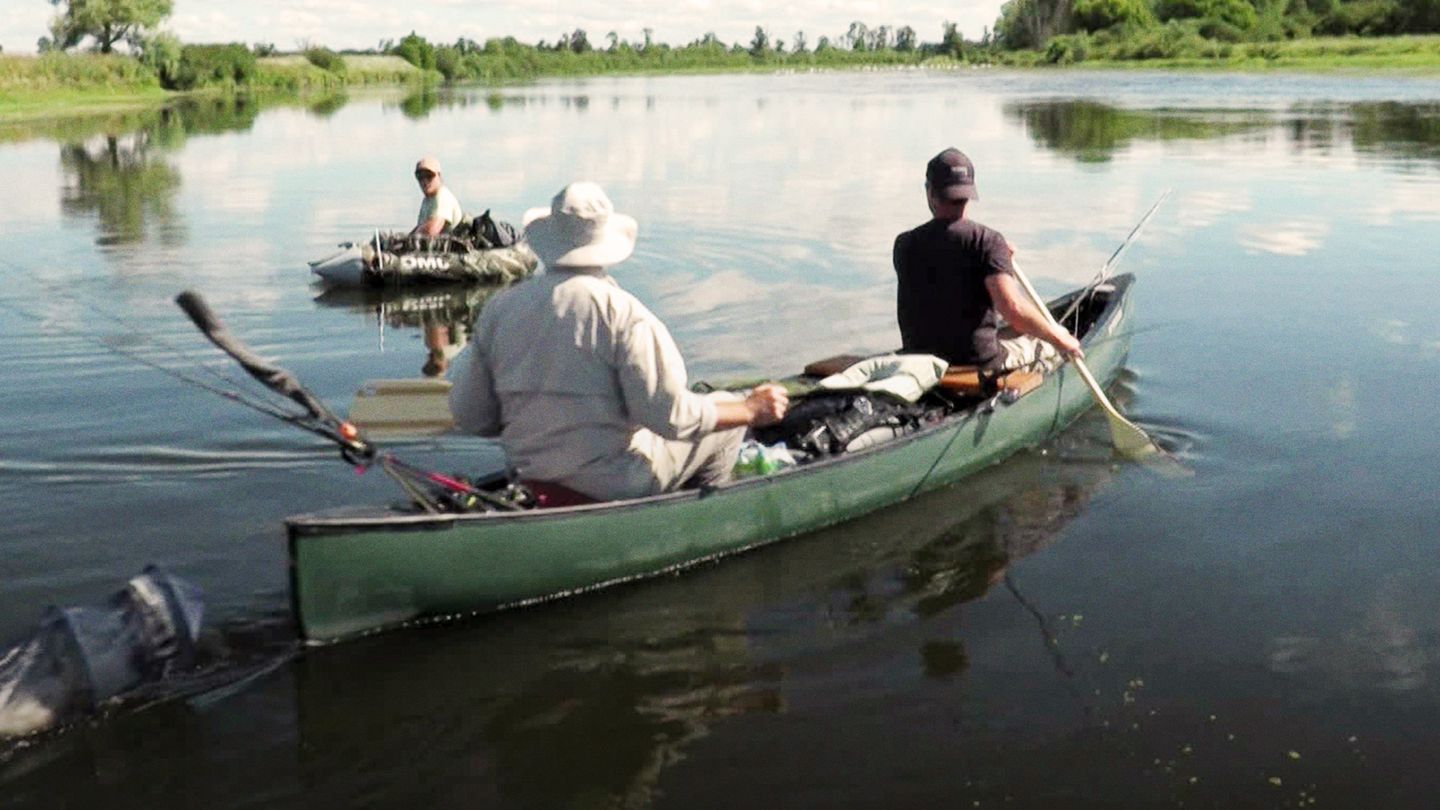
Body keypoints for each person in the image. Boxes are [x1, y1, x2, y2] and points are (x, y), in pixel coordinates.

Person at [450, 182, 789, 502]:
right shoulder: (624, 314)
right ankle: (702, 517)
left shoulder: (500, 309)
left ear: (550, 241)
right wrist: (748, 409)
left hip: (527, 477)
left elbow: (472, 417)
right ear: (608, 246)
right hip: (611, 486)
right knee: (725, 422)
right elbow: (672, 418)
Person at [892, 148, 1082, 373]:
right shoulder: (987, 242)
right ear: (969, 193)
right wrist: (1060, 339)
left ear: (929, 191)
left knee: (1015, 331)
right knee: (1044, 345)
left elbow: (944, 273)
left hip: (919, 362)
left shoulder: (904, 244)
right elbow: (1012, 308)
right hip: (979, 366)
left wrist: (997, 262)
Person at [410, 156, 464, 237]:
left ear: (439, 176)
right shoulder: (427, 199)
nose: (424, 181)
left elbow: (431, 231)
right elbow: (420, 228)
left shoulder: (443, 197)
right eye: (420, 177)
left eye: (429, 175)